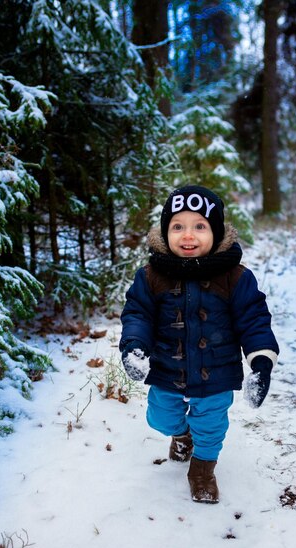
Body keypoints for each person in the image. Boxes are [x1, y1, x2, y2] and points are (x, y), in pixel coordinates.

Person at [120, 185, 279, 504]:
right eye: (177, 226)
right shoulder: (151, 276)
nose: (188, 235)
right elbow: (138, 313)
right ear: (165, 233)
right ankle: (181, 434)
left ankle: (203, 470)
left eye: (199, 226)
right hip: (168, 368)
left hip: (216, 373)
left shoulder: (235, 277)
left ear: (216, 232)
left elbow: (254, 319)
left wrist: (260, 362)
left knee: (210, 425)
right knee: (160, 417)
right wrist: (135, 345)